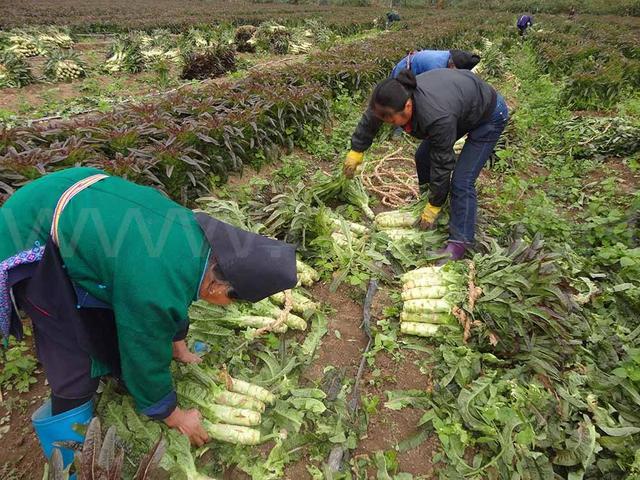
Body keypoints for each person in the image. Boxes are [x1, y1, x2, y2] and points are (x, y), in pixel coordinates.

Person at [0, 167, 297, 466]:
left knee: (110, 315)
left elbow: (171, 298)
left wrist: (178, 344)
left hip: (73, 199)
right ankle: (66, 456)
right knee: (72, 354)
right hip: (27, 230)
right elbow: (143, 343)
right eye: (230, 302)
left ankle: (107, 373)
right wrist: (173, 414)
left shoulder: (194, 237)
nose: (226, 306)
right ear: (218, 285)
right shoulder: (154, 283)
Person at [343, 69, 509, 262]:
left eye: (391, 119)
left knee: (462, 180)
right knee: (423, 156)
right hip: (463, 105)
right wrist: (357, 149)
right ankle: (427, 203)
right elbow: (372, 118)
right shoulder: (391, 97)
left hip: (489, 116)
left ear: (407, 106)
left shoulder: (436, 117)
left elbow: (442, 163)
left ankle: (460, 243)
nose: (389, 124)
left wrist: (434, 205)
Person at [390, 49, 480, 138]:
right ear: (452, 65)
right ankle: (397, 133)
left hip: (416, 75)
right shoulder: (436, 66)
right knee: (401, 103)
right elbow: (432, 92)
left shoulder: (450, 57)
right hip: (404, 72)